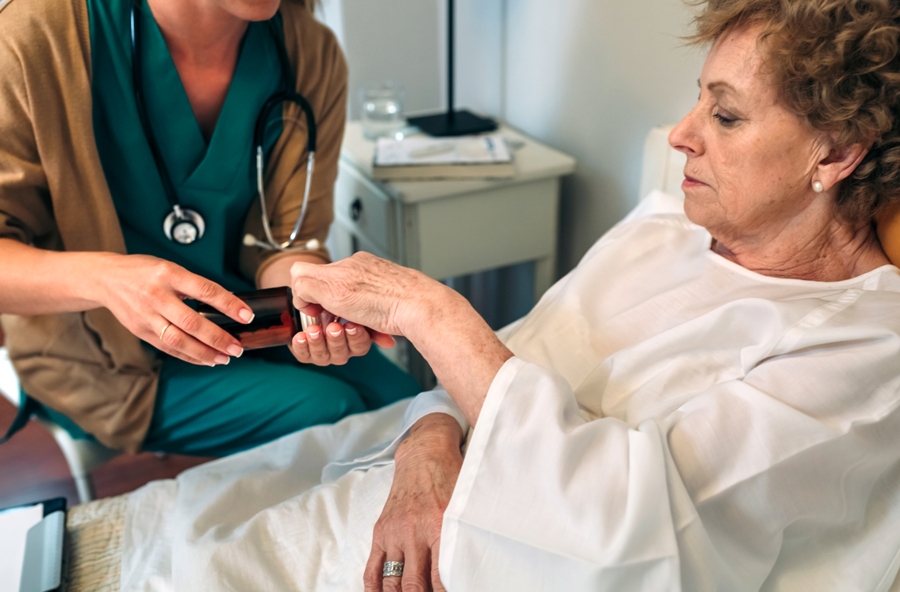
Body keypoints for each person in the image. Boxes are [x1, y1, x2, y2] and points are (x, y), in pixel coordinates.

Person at [121, 0, 900, 590]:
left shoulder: (864, 351)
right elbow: (511, 359)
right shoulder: (662, 230)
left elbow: (632, 529)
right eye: (697, 99)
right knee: (199, 524)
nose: (681, 134)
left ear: (835, 152)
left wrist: (430, 312)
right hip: (408, 482)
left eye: (725, 115)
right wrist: (428, 445)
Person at [0, 0, 419, 456]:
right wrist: (108, 281)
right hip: (102, 361)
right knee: (333, 412)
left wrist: (312, 298)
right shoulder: (37, 34)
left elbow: (286, 242)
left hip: (256, 320)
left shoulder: (307, 52)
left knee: (415, 409)